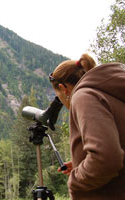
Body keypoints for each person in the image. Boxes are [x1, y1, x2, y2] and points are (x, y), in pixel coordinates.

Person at [49, 53, 125, 199]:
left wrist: (76, 181)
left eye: (60, 99)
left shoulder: (83, 96)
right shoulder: (111, 91)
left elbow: (107, 159)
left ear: (63, 88)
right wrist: (82, 163)